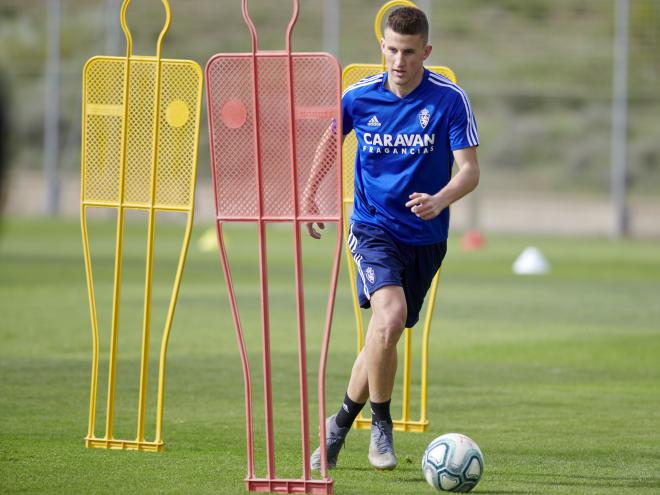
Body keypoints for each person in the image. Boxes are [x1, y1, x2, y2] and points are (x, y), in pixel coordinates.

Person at [303, 6, 480, 471]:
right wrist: (311, 192)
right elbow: (330, 138)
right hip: (372, 227)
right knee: (391, 315)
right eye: (391, 50)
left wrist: (440, 200)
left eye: (408, 52)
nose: (398, 60)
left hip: (426, 237)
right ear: (381, 47)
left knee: (384, 335)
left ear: (426, 51)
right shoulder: (359, 96)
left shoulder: (449, 100)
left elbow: (470, 171)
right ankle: (381, 427)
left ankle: (337, 425)